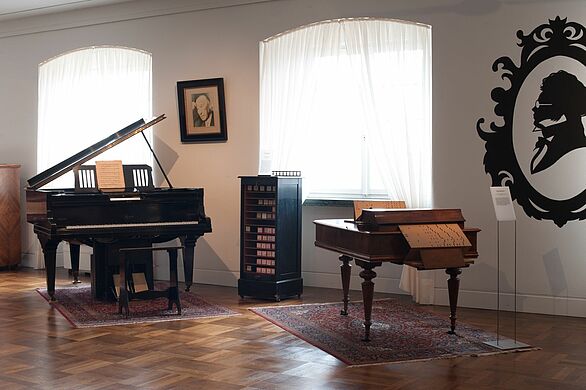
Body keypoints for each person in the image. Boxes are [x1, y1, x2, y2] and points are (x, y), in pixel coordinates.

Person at [530, 70, 586, 174]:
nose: (533, 109)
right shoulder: (562, 135)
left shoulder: (574, 146)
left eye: (538, 104)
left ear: (559, 106)